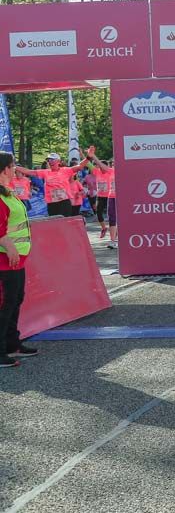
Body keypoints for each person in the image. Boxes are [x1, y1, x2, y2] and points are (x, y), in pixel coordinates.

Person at [0, 152, 36, 367]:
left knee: (15, 301)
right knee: (5, 305)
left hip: (16, 259)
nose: (15, 169)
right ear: (4, 169)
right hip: (5, 259)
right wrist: (9, 246)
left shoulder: (8, 193)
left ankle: (12, 344)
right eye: (13, 166)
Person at [16, 152, 90, 218]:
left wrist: (88, 157)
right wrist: (14, 166)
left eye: (52, 160)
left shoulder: (66, 170)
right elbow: (29, 172)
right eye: (48, 160)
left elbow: (80, 166)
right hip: (52, 203)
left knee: (64, 223)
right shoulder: (45, 172)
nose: (50, 162)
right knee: (55, 224)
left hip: (64, 202)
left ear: (58, 161)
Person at [89, 155, 115, 244]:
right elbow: (89, 165)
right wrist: (83, 155)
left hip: (109, 196)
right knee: (98, 212)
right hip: (100, 196)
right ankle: (104, 228)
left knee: (111, 215)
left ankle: (114, 232)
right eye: (99, 167)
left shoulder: (110, 172)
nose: (100, 168)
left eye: (102, 166)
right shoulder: (97, 172)